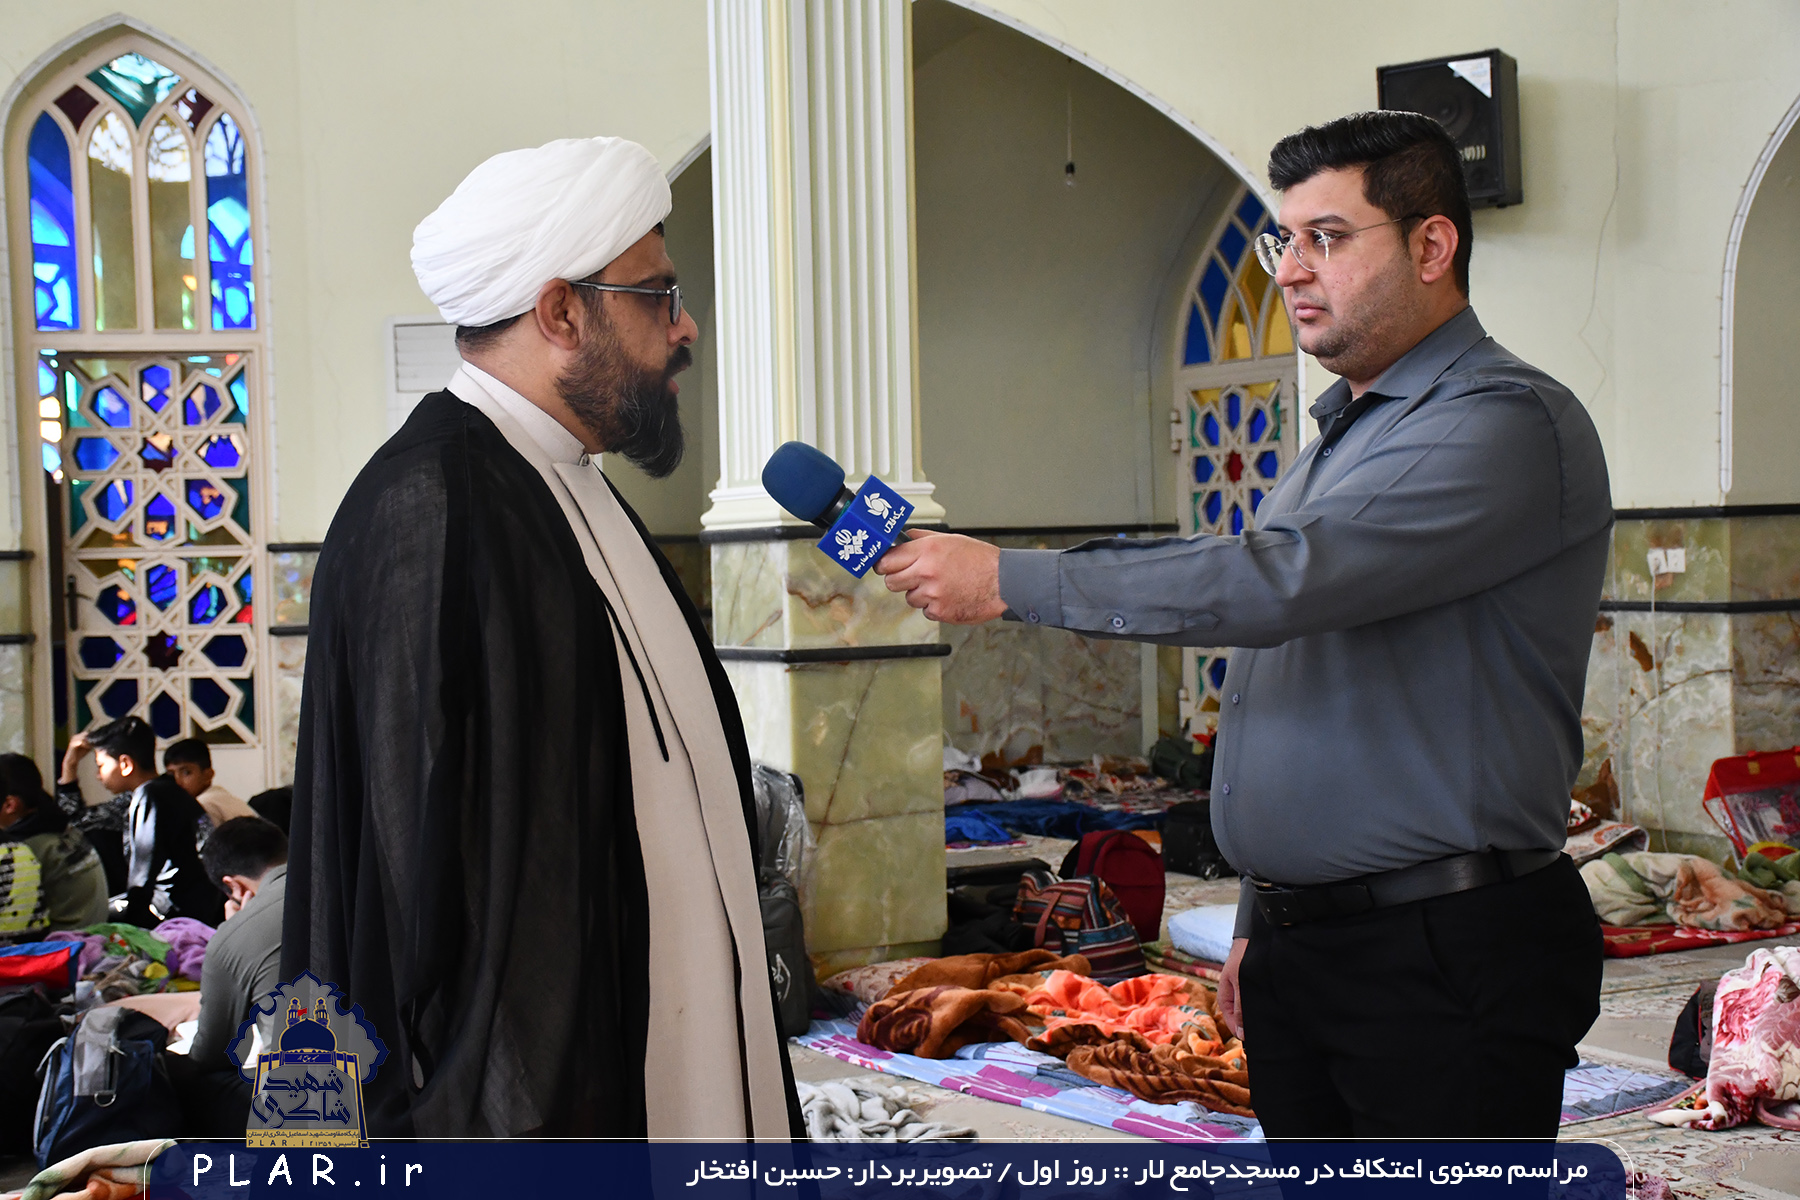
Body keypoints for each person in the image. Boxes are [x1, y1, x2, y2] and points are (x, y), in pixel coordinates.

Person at [875, 110, 1609, 1138]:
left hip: (1442, 944)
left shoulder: (1503, 421)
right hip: (1315, 943)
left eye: (1328, 238)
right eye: (1283, 242)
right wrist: (1266, 915)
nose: (1291, 271)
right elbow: (1293, 667)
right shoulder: (1342, 440)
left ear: (1433, 245)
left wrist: (1010, 578)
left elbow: (1280, 584)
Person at [286, 135, 801, 1139]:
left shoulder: (566, 481)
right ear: (562, 312)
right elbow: (406, 886)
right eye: (658, 296)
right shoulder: (430, 504)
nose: (685, 327)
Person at [169, 816, 288, 1136]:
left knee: (185, 1077)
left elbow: (212, 1055)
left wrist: (232, 928)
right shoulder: (346, 881)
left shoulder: (234, 934)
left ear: (234, 886)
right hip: (397, 1082)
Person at [58, 717, 223, 928]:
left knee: (90, 918)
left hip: (176, 912)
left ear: (125, 764)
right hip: (201, 906)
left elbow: (142, 877)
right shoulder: (169, 790)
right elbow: (75, 823)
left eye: (101, 766)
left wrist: (134, 930)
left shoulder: (149, 797)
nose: (98, 775)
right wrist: (69, 765)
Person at [0, 754, 108, 937]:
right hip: (96, 932)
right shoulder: (60, 826)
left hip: (66, 942)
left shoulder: (24, 849)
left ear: (10, 805)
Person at [163, 739, 255, 833]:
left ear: (208, 775)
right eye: (171, 775)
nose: (177, 781)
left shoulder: (204, 804)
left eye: (186, 773)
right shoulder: (218, 796)